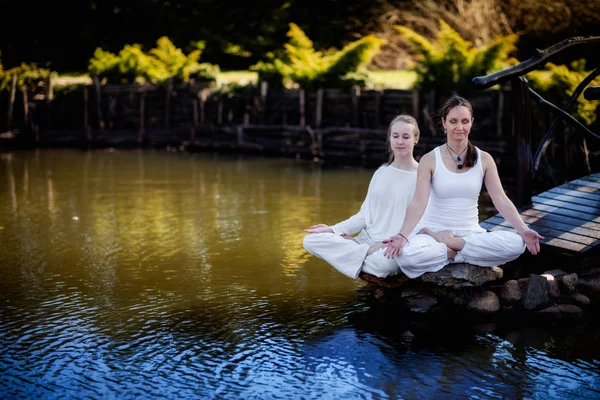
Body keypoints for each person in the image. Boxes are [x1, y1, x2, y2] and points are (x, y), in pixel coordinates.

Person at [382, 95, 544, 278]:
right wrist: (403, 236)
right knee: (406, 257)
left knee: (517, 243)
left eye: (465, 121)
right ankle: (465, 252)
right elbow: (419, 202)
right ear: (444, 123)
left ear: (471, 123)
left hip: (469, 233)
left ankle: (450, 245)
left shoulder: (484, 159)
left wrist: (524, 230)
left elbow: (500, 199)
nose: (459, 127)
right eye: (453, 121)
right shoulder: (429, 159)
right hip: (431, 231)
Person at [303, 114, 448, 279]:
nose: (400, 141)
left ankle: (356, 257)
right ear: (390, 138)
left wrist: (398, 241)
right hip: (367, 241)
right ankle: (364, 253)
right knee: (310, 240)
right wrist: (334, 229)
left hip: (392, 246)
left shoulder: (422, 176)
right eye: (395, 136)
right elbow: (364, 216)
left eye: (406, 137)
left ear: (416, 139)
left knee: (389, 264)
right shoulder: (381, 172)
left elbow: (423, 219)